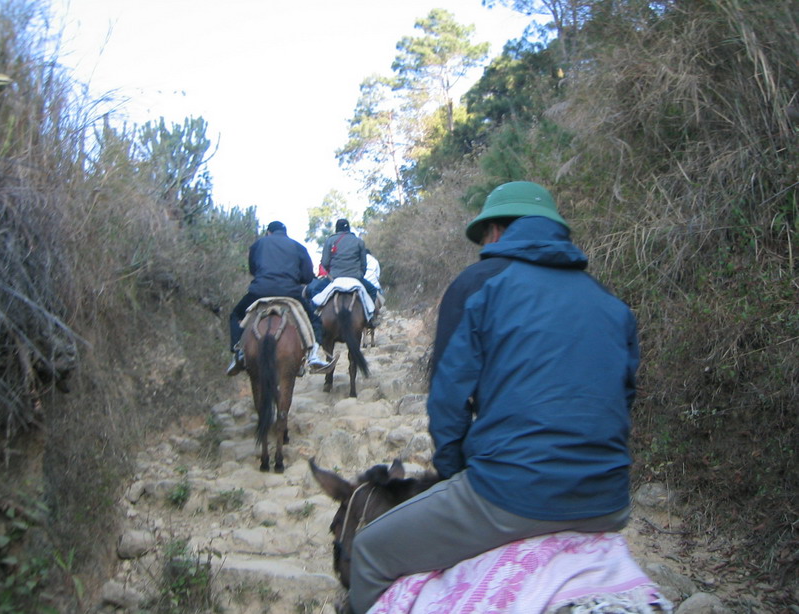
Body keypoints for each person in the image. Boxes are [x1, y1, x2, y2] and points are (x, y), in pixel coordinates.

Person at [346, 181, 640, 613]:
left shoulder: (482, 288)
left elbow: (447, 400)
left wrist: (453, 469)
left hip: (512, 496)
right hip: (610, 502)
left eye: (484, 236)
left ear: (497, 232)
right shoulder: (611, 303)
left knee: (370, 551)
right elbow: (623, 399)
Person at [226, 221, 332, 376]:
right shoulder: (298, 247)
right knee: (315, 320)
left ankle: (238, 352)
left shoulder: (258, 244)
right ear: (285, 232)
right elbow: (308, 277)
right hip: (290, 293)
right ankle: (313, 354)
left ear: (268, 232)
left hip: (259, 292)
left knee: (235, 315)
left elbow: (253, 270)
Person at [311, 219, 379, 303]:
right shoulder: (359, 241)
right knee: (373, 291)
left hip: (334, 277)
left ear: (336, 229)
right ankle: (370, 315)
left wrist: (330, 274)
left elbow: (324, 263)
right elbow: (363, 265)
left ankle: (315, 316)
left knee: (314, 291)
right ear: (349, 229)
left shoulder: (329, 241)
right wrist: (360, 275)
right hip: (355, 277)